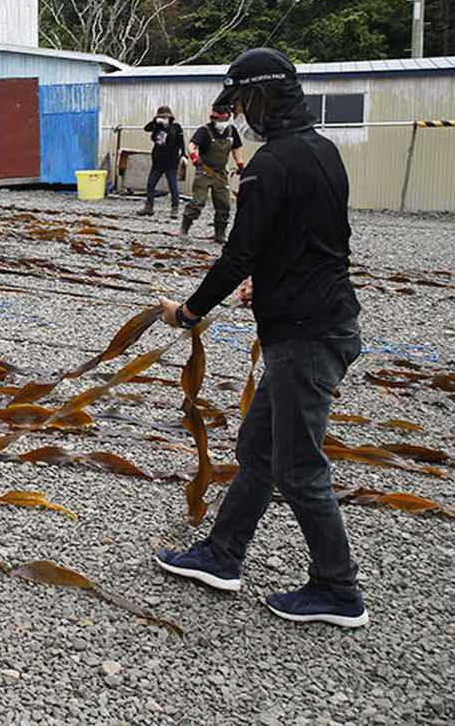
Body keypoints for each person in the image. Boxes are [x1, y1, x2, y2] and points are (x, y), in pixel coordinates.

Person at [152, 48, 367, 628]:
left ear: (262, 100)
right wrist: (262, 284)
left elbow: (238, 253)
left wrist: (189, 313)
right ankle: (222, 555)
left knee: (298, 468)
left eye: (243, 102)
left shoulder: (271, 164)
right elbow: (317, 242)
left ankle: (338, 589)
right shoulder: (324, 151)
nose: (240, 114)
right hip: (321, 319)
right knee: (259, 451)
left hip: (305, 334)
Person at [183, 104, 245, 243]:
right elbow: (192, 145)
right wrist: (193, 156)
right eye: (216, 119)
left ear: (228, 117)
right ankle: (185, 228)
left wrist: (240, 164)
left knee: (224, 204)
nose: (218, 123)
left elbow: (237, 147)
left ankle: (220, 234)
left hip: (220, 174)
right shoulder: (205, 130)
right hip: (204, 171)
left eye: (221, 119)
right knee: (198, 202)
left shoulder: (231, 131)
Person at [137, 105, 186, 216]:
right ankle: (149, 207)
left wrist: (183, 154)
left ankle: (175, 208)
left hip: (172, 161)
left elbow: (181, 142)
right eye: (161, 117)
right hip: (158, 161)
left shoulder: (176, 127)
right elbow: (146, 128)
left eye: (165, 117)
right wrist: (155, 121)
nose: (164, 118)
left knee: (173, 185)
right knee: (150, 184)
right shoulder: (157, 127)